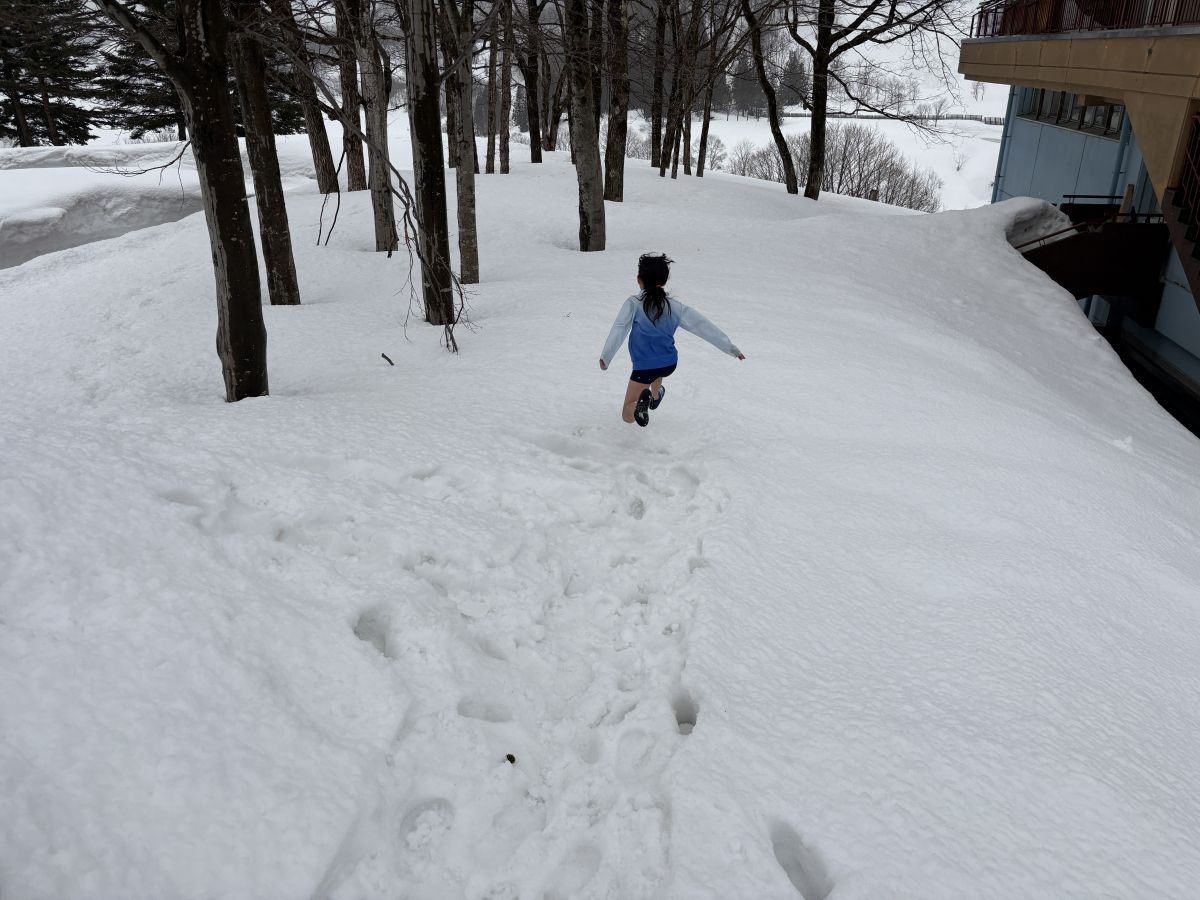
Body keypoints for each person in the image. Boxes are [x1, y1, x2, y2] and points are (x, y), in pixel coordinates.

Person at [599, 253, 745, 427]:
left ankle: (639, 406)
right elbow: (702, 326)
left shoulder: (634, 303)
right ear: (663, 281)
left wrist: (606, 357)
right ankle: (655, 396)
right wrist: (731, 348)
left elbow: (620, 328)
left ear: (639, 280)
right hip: (668, 363)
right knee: (657, 371)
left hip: (644, 367)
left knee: (627, 415)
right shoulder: (675, 307)